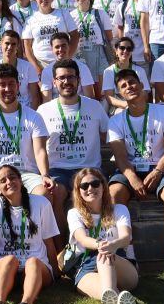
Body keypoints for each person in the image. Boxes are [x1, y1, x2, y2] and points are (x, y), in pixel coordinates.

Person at [104, 69, 164, 278]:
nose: (129, 87)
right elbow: (120, 157)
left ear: (142, 85)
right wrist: (133, 178)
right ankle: (127, 253)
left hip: (159, 166)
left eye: (132, 82)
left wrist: (158, 171)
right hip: (130, 169)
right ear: (120, 93)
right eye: (123, 86)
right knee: (113, 194)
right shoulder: (115, 120)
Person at [65, 168, 142, 304]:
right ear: (78, 191)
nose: (90, 188)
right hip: (87, 268)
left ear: (103, 186)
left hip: (121, 265)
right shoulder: (74, 213)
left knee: (105, 255)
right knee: (109, 292)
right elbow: (82, 238)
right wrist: (100, 244)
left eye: (95, 183)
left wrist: (112, 246)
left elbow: (126, 237)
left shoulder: (119, 209)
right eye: (84, 186)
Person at [37, 59, 110, 230]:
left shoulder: (94, 106)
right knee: (55, 193)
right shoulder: (43, 110)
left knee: (94, 190)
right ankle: (64, 243)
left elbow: (108, 137)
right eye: (61, 78)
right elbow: (38, 147)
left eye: (71, 77)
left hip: (89, 168)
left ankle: (96, 238)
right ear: (54, 82)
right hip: (58, 170)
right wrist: (44, 174)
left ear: (79, 80)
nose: (66, 81)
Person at [0, 165, 59, 304]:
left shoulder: (41, 203)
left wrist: (55, 272)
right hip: (5, 267)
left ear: (20, 181)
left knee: (33, 261)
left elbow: (48, 241)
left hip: (36, 269)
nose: (9, 182)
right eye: (3, 181)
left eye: (12, 177)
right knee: (10, 259)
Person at [0, 64, 53, 207]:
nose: (7, 89)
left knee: (43, 194)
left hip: (26, 174)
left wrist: (45, 174)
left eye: (11, 84)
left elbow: (40, 150)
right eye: (2, 85)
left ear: (18, 85)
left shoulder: (34, 117)